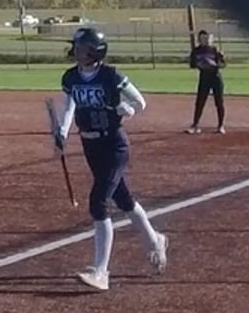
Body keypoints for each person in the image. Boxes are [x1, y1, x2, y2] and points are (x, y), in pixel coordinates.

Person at [51, 27, 169, 291]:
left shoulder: (111, 76)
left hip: (114, 145)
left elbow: (139, 102)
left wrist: (127, 109)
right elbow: (69, 108)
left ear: (95, 51)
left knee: (99, 203)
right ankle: (155, 240)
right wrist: (62, 133)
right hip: (90, 145)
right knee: (124, 200)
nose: (76, 51)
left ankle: (101, 272)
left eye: (82, 47)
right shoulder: (70, 77)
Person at [186, 30, 227, 134]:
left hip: (216, 77)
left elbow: (223, 64)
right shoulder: (196, 51)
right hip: (204, 77)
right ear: (199, 39)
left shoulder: (215, 50)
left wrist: (218, 61)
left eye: (206, 38)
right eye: (202, 38)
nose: (205, 40)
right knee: (200, 102)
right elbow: (192, 64)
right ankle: (195, 125)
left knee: (219, 102)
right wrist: (199, 64)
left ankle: (220, 125)